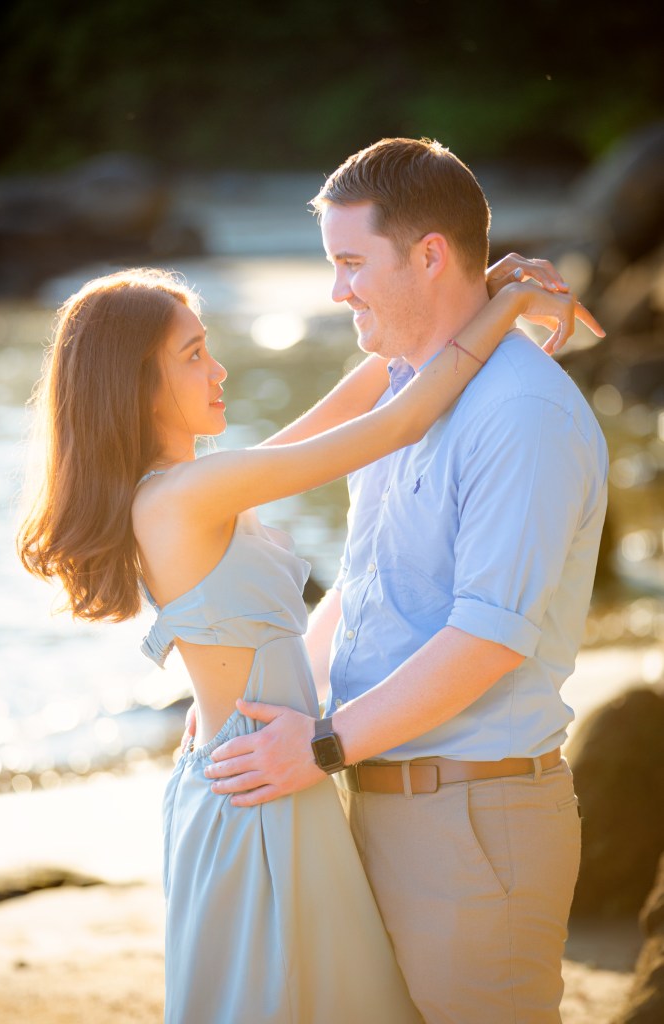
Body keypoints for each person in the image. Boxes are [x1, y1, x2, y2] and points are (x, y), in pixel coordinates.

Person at [15, 254, 595, 1023]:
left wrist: (466, 291)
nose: (218, 369)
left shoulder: (194, 483)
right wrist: (509, 300)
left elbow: (378, 383)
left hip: (268, 772)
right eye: (192, 355)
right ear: (136, 385)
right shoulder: (186, 496)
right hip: (263, 790)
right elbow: (399, 421)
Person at [190, 138, 611, 1024]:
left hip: (471, 819)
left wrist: (319, 744)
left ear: (426, 255)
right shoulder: (405, 388)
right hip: (378, 798)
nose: (336, 290)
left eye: (350, 264)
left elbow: (487, 636)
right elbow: (370, 583)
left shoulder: (521, 413)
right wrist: (257, 710)